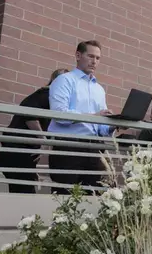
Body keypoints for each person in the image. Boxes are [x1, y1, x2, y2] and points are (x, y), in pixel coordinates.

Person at [47, 40, 116, 193]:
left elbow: (100, 127)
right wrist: (93, 116)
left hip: (94, 148)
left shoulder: (99, 89)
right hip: (68, 147)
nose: (94, 61)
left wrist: (113, 125)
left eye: (98, 58)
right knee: (63, 198)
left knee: (94, 198)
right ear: (78, 55)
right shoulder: (64, 80)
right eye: (91, 56)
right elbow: (59, 114)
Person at [0, 68, 69, 193]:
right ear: (54, 81)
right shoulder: (45, 94)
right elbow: (30, 115)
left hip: (21, 152)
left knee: (22, 193)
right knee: (24, 195)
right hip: (16, 150)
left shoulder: (52, 99)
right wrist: (43, 141)